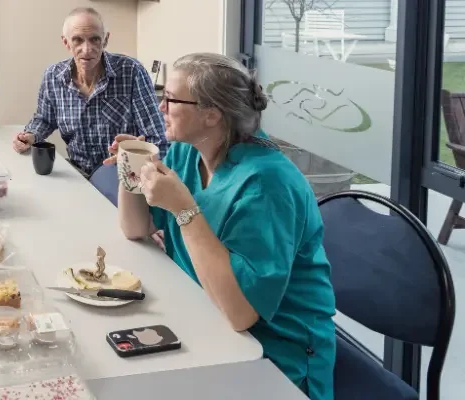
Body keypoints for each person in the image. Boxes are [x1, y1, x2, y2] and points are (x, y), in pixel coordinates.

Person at [109, 53, 335, 400]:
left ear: (211, 114)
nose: (160, 107)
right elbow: (135, 227)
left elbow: (241, 313)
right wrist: (131, 166)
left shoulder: (268, 185)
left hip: (274, 354)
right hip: (201, 317)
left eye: (170, 99)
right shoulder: (189, 152)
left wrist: (184, 209)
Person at [13, 7, 167, 177]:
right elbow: (45, 119)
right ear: (66, 42)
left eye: (95, 39)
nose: (87, 49)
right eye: (78, 40)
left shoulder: (131, 71)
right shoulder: (53, 76)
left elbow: (157, 138)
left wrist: (136, 160)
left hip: (123, 172)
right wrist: (31, 135)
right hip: (78, 172)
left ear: (105, 40)